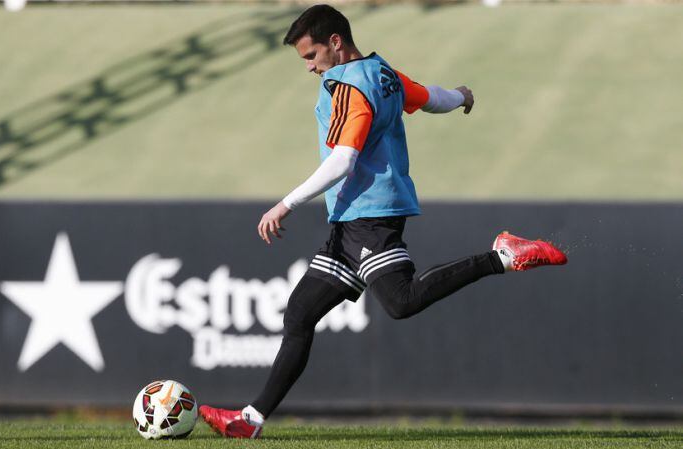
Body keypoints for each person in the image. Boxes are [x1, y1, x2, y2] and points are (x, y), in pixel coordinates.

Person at [198, 4, 567, 438]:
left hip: (370, 217)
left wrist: (285, 204)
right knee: (299, 314)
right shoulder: (382, 72)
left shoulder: (349, 86)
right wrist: (462, 96)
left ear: (335, 42)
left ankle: (500, 256)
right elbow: (429, 98)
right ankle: (250, 420)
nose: (309, 67)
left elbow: (343, 160)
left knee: (401, 301)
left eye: (310, 56)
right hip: (351, 221)